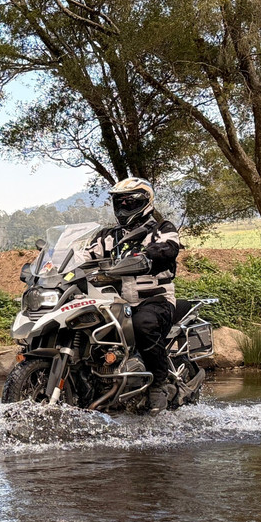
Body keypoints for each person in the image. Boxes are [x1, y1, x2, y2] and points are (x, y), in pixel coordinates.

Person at [90, 177, 181, 415]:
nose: (123, 207)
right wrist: (53, 267)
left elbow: (169, 248)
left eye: (129, 202)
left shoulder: (162, 229)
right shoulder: (108, 235)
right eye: (119, 202)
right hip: (116, 304)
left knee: (143, 324)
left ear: (144, 202)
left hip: (155, 300)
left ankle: (158, 384)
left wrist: (150, 256)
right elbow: (84, 256)